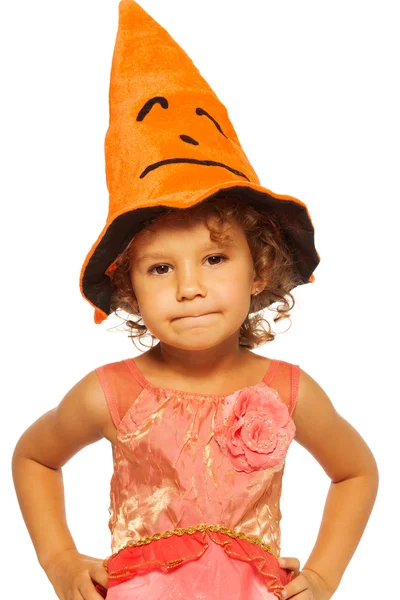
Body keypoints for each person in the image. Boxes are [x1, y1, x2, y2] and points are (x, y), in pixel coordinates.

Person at [12, 1, 379, 599]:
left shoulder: (288, 392)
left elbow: (357, 471)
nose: (190, 287)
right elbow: (34, 457)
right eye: (161, 268)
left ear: (259, 268)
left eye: (215, 258)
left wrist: (323, 575)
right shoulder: (111, 394)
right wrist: (58, 559)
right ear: (130, 285)